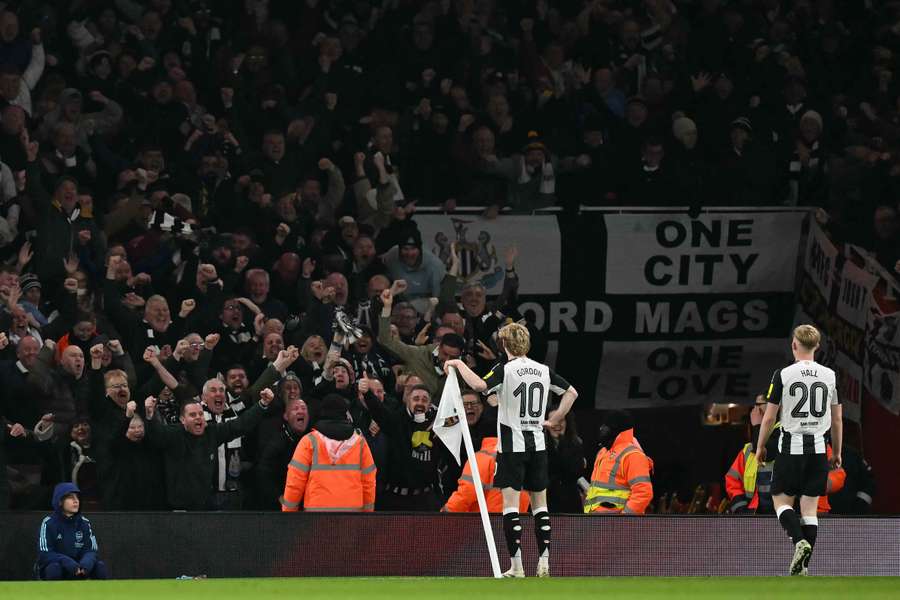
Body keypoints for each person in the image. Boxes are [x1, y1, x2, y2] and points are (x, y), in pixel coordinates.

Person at [445, 322, 578, 578]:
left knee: (511, 506)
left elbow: (480, 386)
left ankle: (517, 567)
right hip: (537, 444)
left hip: (511, 446)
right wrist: (554, 418)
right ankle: (544, 563)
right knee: (540, 505)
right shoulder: (542, 370)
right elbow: (571, 392)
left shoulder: (505, 369)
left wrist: (459, 364)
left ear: (504, 344)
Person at [756, 324, 842, 576]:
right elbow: (836, 419)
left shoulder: (782, 375)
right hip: (818, 449)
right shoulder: (830, 376)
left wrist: (761, 446)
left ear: (794, 345)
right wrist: (836, 452)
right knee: (809, 509)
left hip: (790, 448)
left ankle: (798, 542)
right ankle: (803, 568)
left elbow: (769, 417)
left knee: (780, 500)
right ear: (817, 346)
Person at [280, 394, 376, 512]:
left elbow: (295, 483)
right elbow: (369, 483)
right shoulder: (360, 443)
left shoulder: (309, 441)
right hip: (352, 517)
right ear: (345, 414)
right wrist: (368, 515)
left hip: (317, 517)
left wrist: (288, 514)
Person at [583, 411, 653, 515]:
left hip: (618, 526)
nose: (601, 429)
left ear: (616, 429)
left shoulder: (632, 455)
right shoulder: (603, 452)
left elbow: (643, 493)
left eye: (606, 426)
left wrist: (624, 520)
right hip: (595, 521)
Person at [36, 482, 107, 580]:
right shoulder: (48, 523)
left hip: (79, 568)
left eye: (77, 497)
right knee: (53, 569)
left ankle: (98, 595)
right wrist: (67, 562)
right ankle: (53, 594)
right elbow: (45, 553)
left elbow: (91, 550)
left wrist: (85, 564)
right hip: (60, 566)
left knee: (100, 567)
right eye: (70, 497)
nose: (76, 501)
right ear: (60, 501)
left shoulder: (85, 523)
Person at [442, 436, 529, 514]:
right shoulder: (525, 459)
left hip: (487, 526)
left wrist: (445, 514)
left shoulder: (482, 457)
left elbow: (467, 492)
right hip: (517, 523)